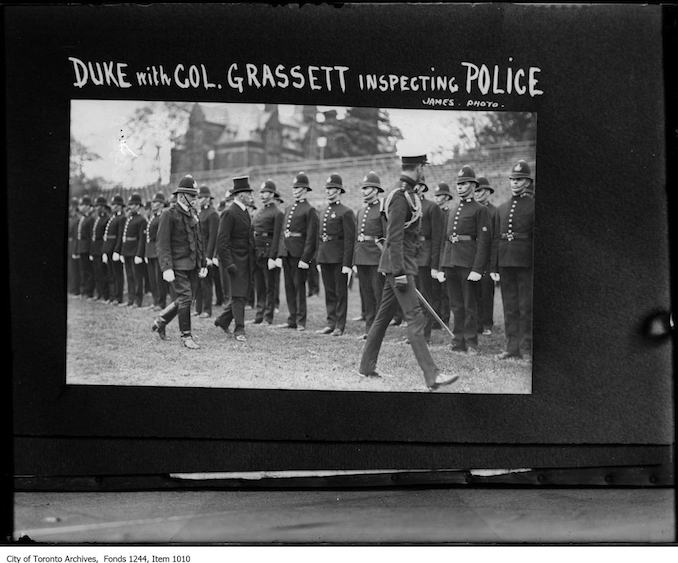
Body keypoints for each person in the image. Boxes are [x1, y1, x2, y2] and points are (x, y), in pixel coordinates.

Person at [358, 153, 459, 391]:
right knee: (415, 318)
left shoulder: (409, 194)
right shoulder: (400, 196)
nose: (425, 171)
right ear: (418, 167)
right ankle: (432, 375)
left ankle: (365, 367)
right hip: (399, 267)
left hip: (400, 265)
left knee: (382, 318)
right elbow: (394, 236)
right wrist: (401, 272)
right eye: (423, 166)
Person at [439, 165, 491, 354]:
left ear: (473, 185)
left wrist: (477, 269)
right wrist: (442, 266)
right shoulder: (453, 210)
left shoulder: (480, 210)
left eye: (464, 183)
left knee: (470, 305)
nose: (460, 187)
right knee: (456, 305)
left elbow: (483, 241)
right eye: (458, 184)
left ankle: (471, 342)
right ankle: (458, 341)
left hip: (468, 264)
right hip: (451, 262)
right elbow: (446, 240)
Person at [152, 175, 208, 349]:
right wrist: (166, 267)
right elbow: (162, 243)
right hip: (176, 265)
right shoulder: (169, 214)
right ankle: (186, 336)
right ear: (182, 195)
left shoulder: (193, 214)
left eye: (195, 195)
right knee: (185, 298)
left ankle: (161, 320)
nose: (195, 199)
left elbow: (200, 241)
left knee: (185, 298)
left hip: (192, 264)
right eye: (192, 196)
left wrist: (203, 263)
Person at [490, 160, 535, 360]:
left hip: (526, 262)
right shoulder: (502, 208)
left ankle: (526, 348)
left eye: (520, 179)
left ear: (527, 182)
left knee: (526, 306)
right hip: (506, 261)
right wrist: (494, 265)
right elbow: (495, 239)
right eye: (513, 180)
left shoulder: (533, 206)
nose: (515, 183)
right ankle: (511, 347)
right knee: (509, 306)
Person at [214, 176, 256, 342]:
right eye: (248, 193)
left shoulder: (245, 211)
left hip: (246, 260)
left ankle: (223, 320)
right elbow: (222, 242)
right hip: (235, 262)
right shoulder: (229, 213)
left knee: (242, 294)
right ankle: (239, 329)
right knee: (238, 296)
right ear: (240, 195)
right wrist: (229, 264)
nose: (251, 196)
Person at [275, 172, 319, 331]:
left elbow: (311, 237)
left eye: (299, 187)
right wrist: (281, 253)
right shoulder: (288, 208)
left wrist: (305, 258)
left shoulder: (309, 210)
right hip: (287, 253)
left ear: (306, 189)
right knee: (288, 287)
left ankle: (301, 320)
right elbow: (282, 233)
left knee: (299, 287)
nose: (295, 190)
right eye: (294, 187)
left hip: (299, 254)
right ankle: (292, 318)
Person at [315, 174, 356, 337]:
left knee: (340, 292)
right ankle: (331, 322)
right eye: (327, 189)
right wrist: (319, 258)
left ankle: (340, 325)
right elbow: (320, 237)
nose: (328, 192)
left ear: (339, 190)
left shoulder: (346, 212)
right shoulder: (324, 211)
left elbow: (349, 239)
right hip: (325, 256)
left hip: (339, 258)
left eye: (331, 189)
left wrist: (347, 263)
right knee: (329, 291)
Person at [353, 171, 386, 340]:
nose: (364, 191)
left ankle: (378, 331)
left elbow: (386, 236)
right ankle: (369, 329)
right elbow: (356, 238)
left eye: (367, 188)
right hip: (362, 257)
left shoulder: (382, 210)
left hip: (376, 258)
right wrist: (354, 260)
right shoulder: (360, 211)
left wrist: (386, 260)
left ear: (375, 190)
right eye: (363, 188)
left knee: (377, 295)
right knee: (366, 295)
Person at [414, 180, 443, 343]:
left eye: (417, 187)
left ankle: (425, 333)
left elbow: (438, 238)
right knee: (412, 296)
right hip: (411, 255)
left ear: (423, 188)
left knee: (425, 295)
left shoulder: (432, 207)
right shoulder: (407, 207)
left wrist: (435, 264)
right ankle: (415, 332)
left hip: (425, 256)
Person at [251, 179, 284, 325]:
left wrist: (273, 256)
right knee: (260, 285)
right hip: (257, 251)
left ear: (272, 194)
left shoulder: (277, 212)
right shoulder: (259, 211)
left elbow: (277, 236)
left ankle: (268, 316)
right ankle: (259, 315)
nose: (263, 195)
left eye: (266, 192)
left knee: (270, 286)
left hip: (268, 252)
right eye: (262, 192)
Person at [474, 176, 498, 335]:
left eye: (481, 190)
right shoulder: (472, 209)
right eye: (475, 190)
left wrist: (494, 264)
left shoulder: (494, 212)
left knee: (486, 291)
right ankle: (475, 323)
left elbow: (495, 240)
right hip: (472, 256)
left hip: (488, 258)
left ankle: (487, 324)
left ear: (488, 192)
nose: (477, 193)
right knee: (473, 293)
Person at [118, 193, 148, 308]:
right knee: (129, 276)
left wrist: (139, 254)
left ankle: (137, 300)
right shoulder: (128, 219)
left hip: (135, 252)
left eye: (134, 204)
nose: (132, 206)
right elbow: (123, 237)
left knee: (137, 277)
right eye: (131, 204)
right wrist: (122, 252)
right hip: (126, 251)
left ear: (139, 206)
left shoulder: (141, 220)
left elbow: (142, 239)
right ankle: (130, 299)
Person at [194, 185, 219, 318]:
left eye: (203, 197)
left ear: (209, 199)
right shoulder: (200, 213)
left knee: (207, 282)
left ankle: (207, 310)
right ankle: (198, 309)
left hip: (206, 253)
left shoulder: (213, 214)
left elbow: (213, 237)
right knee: (198, 281)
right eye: (199, 197)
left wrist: (209, 256)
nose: (201, 199)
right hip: (198, 252)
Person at [431, 182, 453, 327]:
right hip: (433, 252)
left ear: (446, 197)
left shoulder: (449, 213)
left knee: (445, 291)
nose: (438, 198)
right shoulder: (434, 212)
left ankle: (444, 318)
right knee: (434, 291)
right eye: (436, 196)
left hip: (444, 253)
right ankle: (435, 318)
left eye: (440, 196)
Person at [145, 191, 169, 311]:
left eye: (155, 202)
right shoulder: (153, 217)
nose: (152, 204)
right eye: (153, 202)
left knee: (159, 279)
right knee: (152, 279)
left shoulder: (162, 217)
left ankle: (161, 302)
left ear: (161, 204)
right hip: (150, 251)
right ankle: (155, 301)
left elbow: (161, 236)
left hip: (158, 251)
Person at [102, 194, 126, 304]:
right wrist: (105, 251)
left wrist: (117, 250)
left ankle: (118, 297)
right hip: (109, 249)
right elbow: (107, 236)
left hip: (115, 249)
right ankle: (112, 297)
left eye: (116, 205)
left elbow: (120, 236)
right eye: (113, 205)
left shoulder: (122, 218)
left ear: (120, 206)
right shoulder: (113, 218)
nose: (114, 207)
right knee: (111, 274)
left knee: (117, 274)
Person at [89, 196, 110, 302]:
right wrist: (92, 251)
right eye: (96, 206)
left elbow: (105, 237)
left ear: (103, 207)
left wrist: (104, 251)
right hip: (95, 249)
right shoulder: (97, 219)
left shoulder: (106, 219)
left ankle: (106, 295)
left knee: (103, 273)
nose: (96, 208)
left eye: (98, 206)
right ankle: (99, 293)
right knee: (97, 273)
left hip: (101, 249)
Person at [74, 195, 95, 299]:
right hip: (81, 247)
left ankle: (89, 291)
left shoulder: (90, 219)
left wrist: (91, 250)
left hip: (87, 247)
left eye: (82, 205)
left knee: (88, 270)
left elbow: (91, 236)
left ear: (87, 206)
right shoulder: (83, 219)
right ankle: (83, 291)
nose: (80, 207)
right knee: (82, 270)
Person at [67, 197, 81, 296]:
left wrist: (75, 250)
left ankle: (75, 289)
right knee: (70, 269)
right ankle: (71, 288)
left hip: (74, 246)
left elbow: (76, 236)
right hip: (70, 245)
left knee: (74, 269)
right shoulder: (71, 218)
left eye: (72, 206)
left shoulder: (77, 219)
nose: (71, 208)